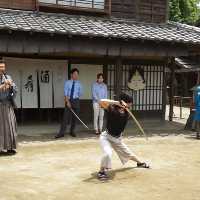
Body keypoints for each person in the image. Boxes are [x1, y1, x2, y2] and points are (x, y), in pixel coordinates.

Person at [98, 93, 149, 179]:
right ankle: (101, 171)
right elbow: (101, 101)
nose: (130, 105)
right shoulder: (111, 108)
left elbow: (121, 119)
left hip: (117, 138)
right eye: (130, 103)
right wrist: (116, 102)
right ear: (124, 102)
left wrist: (124, 107)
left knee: (128, 152)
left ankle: (139, 163)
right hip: (106, 137)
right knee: (108, 153)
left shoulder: (127, 112)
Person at [55, 68, 83, 138]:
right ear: (71, 75)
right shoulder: (67, 82)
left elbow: (80, 94)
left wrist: (76, 99)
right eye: (75, 74)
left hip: (76, 101)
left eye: (77, 74)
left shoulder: (79, 84)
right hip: (68, 100)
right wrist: (67, 102)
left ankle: (72, 131)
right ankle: (61, 133)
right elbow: (65, 93)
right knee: (65, 117)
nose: (76, 76)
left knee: (74, 118)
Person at [0, 62, 18, 155]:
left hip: (8, 105)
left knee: (10, 126)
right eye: (0, 67)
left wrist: (11, 85)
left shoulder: (8, 77)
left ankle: (10, 147)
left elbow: (15, 89)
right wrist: (3, 86)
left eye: (3, 67)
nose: (2, 69)